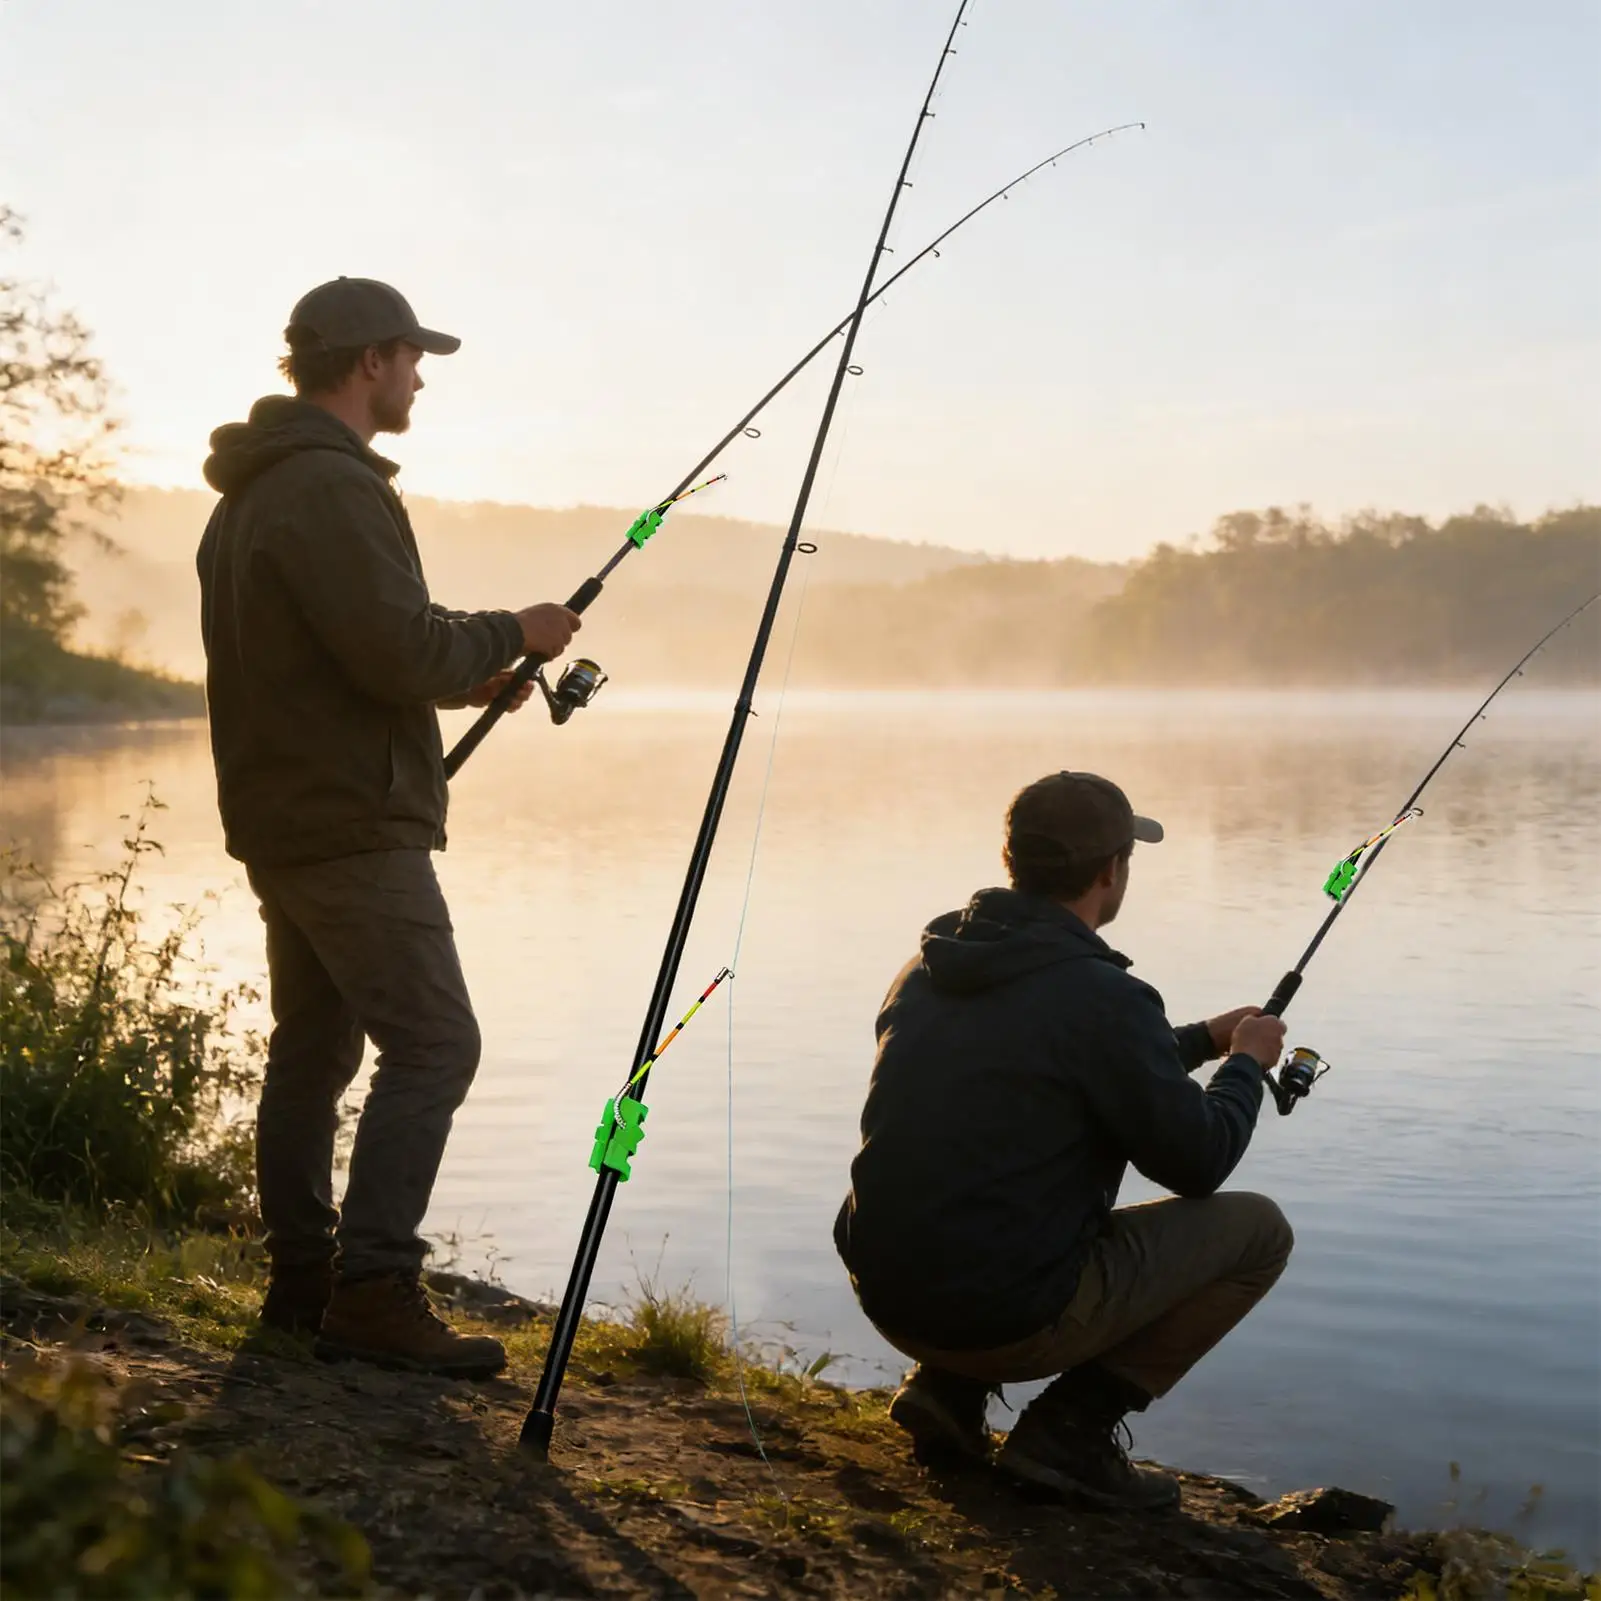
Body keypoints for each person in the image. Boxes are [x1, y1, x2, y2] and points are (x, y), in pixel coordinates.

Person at [197, 277, 580, 1378]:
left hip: (289, 814)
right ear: (372, 359)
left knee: (314, 1050)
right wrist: (515, 627)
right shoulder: (327, 487)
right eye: (415, 359)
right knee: (435, 1041)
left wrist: (470, 677)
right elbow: (396, 648)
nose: (420, 379)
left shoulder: (255, 493)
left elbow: (354, 650)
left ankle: (302, 1283)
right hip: (349, 823)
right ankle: (371, 1290)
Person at [833, 770, 1292, 1509]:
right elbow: (1198, 1161)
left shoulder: (929, 962)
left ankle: (946, 1388)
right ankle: (1068, 1434)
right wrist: (1244, 1064)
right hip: (995, 1318)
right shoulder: (1101, 997)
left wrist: (1201, 1041)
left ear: (1013, 857)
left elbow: (1048, 1059)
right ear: (1111, 870)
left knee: (989, 1168)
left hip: (886, 1293)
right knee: (1257, 1232)